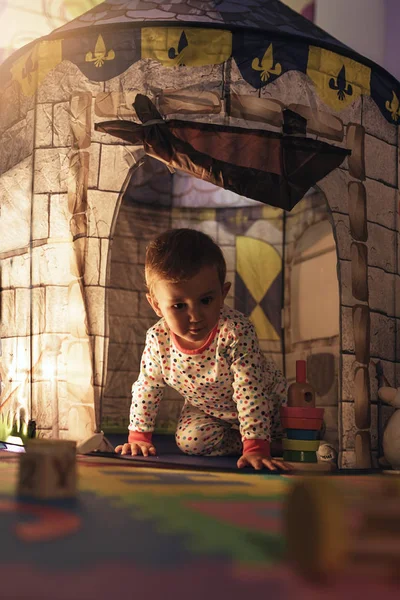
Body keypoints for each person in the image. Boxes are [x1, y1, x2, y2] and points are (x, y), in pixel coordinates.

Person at [115, 228, 289, 471]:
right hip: (210, 411)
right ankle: (263, 445)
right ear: (156, 306)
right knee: (189, 440)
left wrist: (257, 446)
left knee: (296, 428)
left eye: (206, 301)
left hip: (265, 404)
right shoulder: (158, 339)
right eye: (178, 305)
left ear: (222, 294)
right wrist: (138, 438)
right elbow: (148, 387)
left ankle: (267, 441)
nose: (195, 316)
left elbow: (249, 389)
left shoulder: (235, 330)